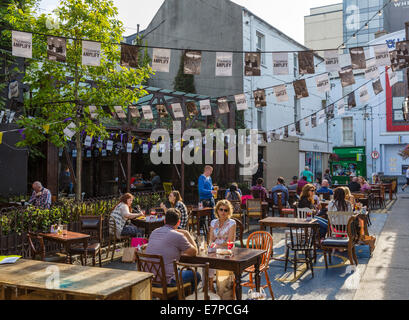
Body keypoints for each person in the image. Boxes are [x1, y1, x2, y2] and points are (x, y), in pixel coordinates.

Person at [145, 209, 200, 291]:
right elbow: (194, 252)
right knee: (196, 275)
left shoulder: (154, 232)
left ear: (164, 221)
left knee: (178, 270)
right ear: (178, 222)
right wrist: (187, 233)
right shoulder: (178, 236)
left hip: (150, 278)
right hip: (167, 281)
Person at [208, 200, 236, 292]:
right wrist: (213, 245)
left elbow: (230, 241)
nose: (223, 212)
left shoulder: (232, 223)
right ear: (217, 210)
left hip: (227, 248)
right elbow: (210, 239)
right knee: (207, 259)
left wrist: (216, 245)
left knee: (210, 254)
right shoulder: (213, 222)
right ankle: (210, 286)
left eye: (226, 210)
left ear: (229, 212)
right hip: (215, 247)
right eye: (221, 209)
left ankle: (223, 289)